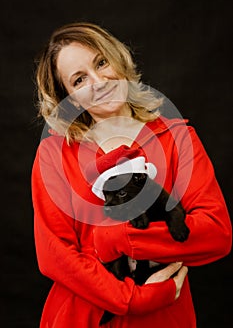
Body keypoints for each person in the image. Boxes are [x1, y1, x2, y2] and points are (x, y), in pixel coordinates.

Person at [31, 22, 232, 328]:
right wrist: (133, 299)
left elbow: (215, 233)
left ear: (118, 60)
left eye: (101, 62)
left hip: (164, 318)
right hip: (84, 315)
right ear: (69, 99)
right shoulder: (53, 156)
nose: (99, 81)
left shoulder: (177, 137)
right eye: (79, 80)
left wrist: (119, 238)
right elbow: (53, 255)